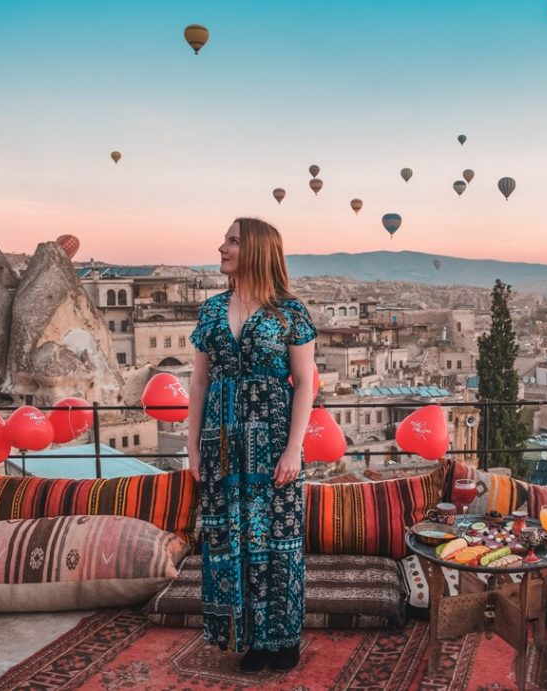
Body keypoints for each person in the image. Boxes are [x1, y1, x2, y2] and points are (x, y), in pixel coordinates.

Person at [187, 217, 317, 673]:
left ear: (258, 250)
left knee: (277, 538)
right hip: (221, 440)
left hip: (274, 440)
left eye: (233, 241)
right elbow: (200, 381)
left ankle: (281, 639)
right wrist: (192, 446)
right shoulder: (211, 311)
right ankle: (247, 637)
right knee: (231, 535)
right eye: (225, 239)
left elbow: (305, 384)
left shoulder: (290, 312)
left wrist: (294, 448)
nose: (221, 247)